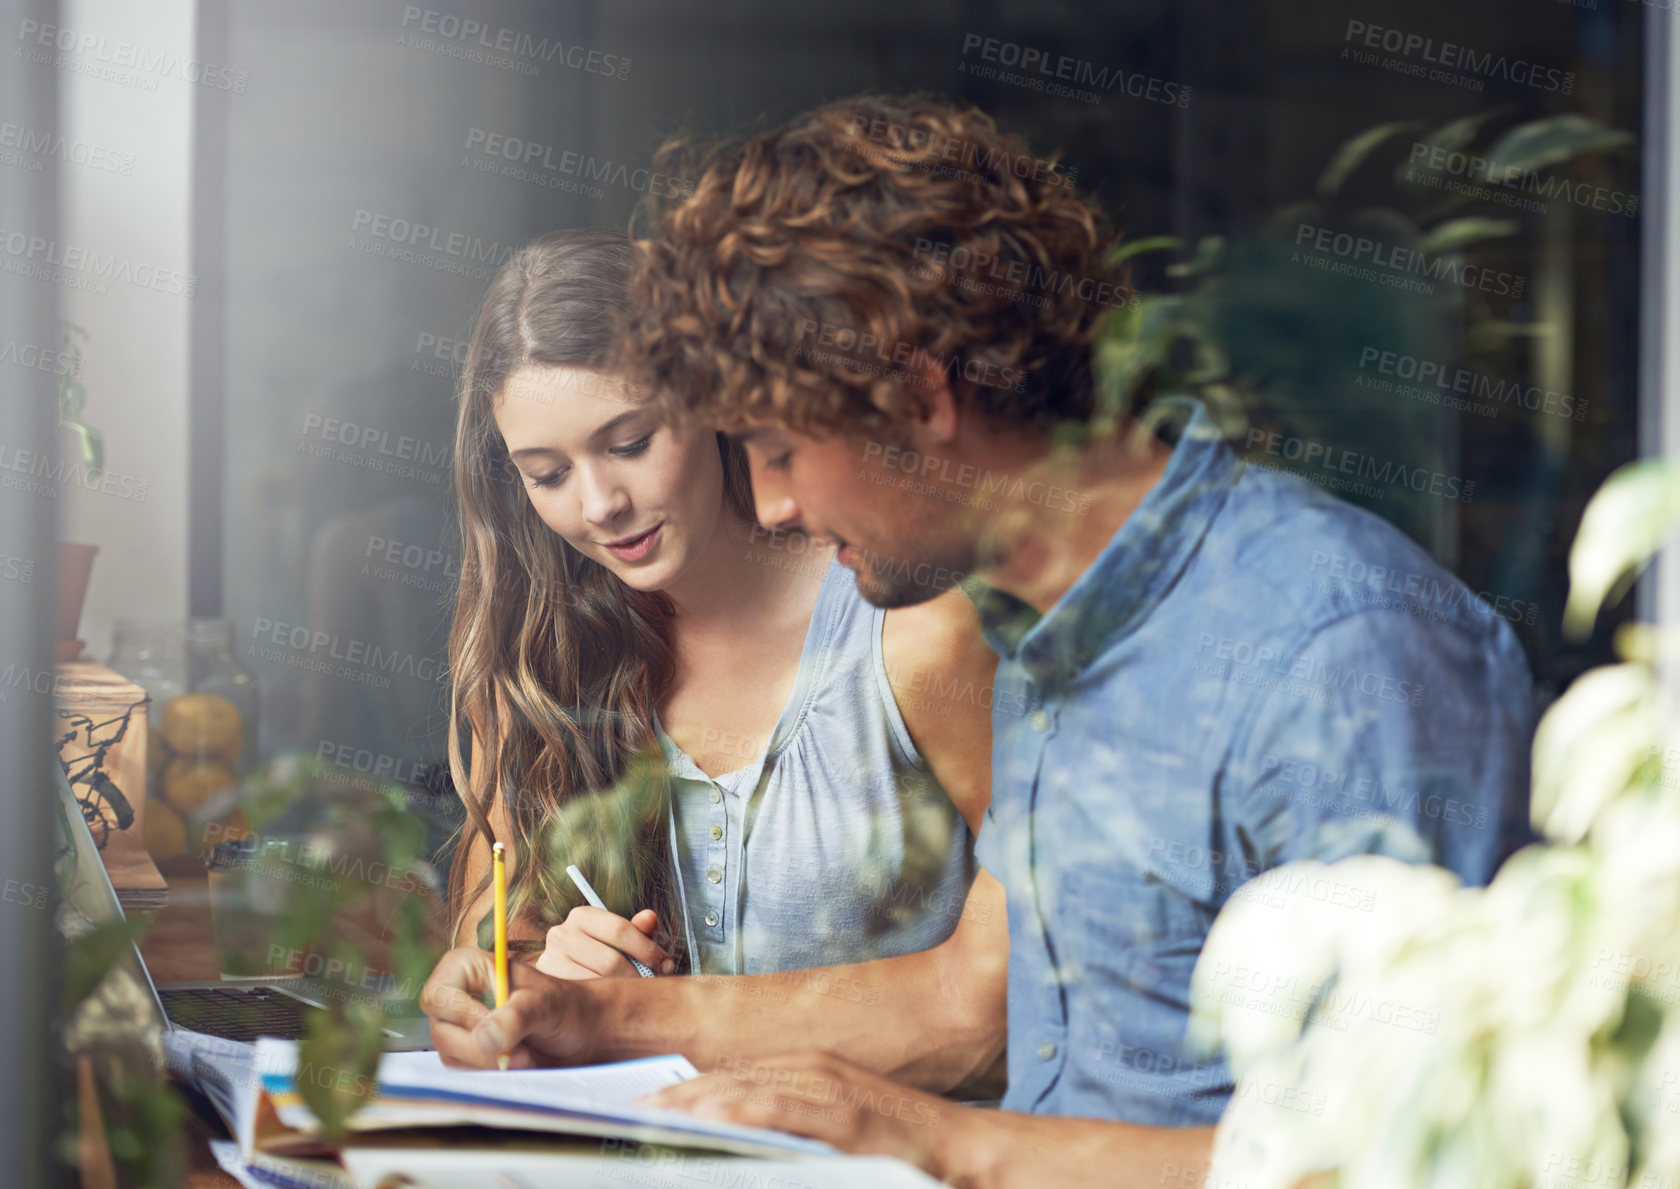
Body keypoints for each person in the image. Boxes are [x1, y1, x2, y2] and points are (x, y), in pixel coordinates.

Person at [421, 97, 1535, 1186]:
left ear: (917, 399)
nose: (769, 509)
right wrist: (606, 1020)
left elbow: (1424, 1160)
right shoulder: (1051, 632)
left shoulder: (1339, 647)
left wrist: (947, 1143)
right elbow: (975, 1004)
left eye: (776, 448)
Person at [444, 227, 995, 982]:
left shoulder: (914, 630)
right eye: (546, 475)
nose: (599, 504)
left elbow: (1040, 972)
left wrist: (657, 1019)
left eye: (631, 443)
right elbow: (484, 963)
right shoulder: (538, 661)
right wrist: (547, 969)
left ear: (712, 399)